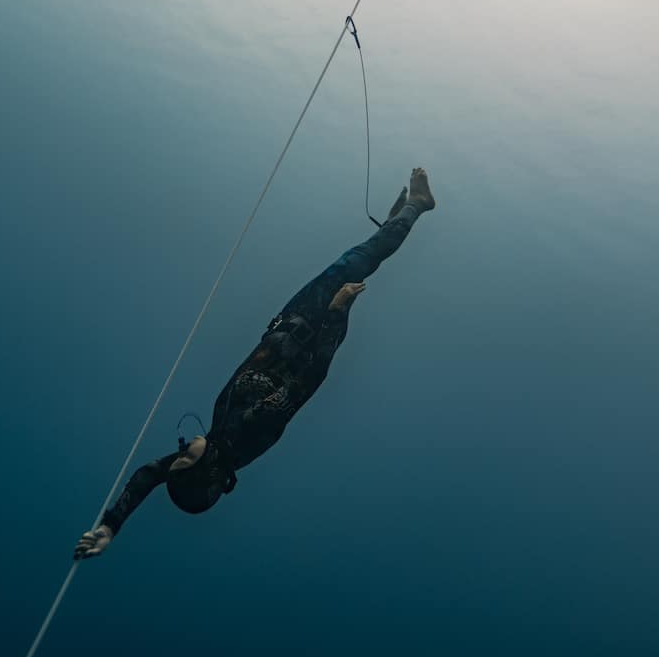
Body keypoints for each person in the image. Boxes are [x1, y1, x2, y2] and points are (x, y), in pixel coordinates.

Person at [74, 168, 436, 560]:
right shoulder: (247, 433)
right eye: (182, 459)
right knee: (358, 261)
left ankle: (399, 217)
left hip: (289, 320)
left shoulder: (217, 437)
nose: (177, 450)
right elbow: (309, 381)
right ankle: (417, 206)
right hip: (313, 328)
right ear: (206, 470)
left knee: (360, 258)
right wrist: (336, 315)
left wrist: (111, 524)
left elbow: (149, 475)